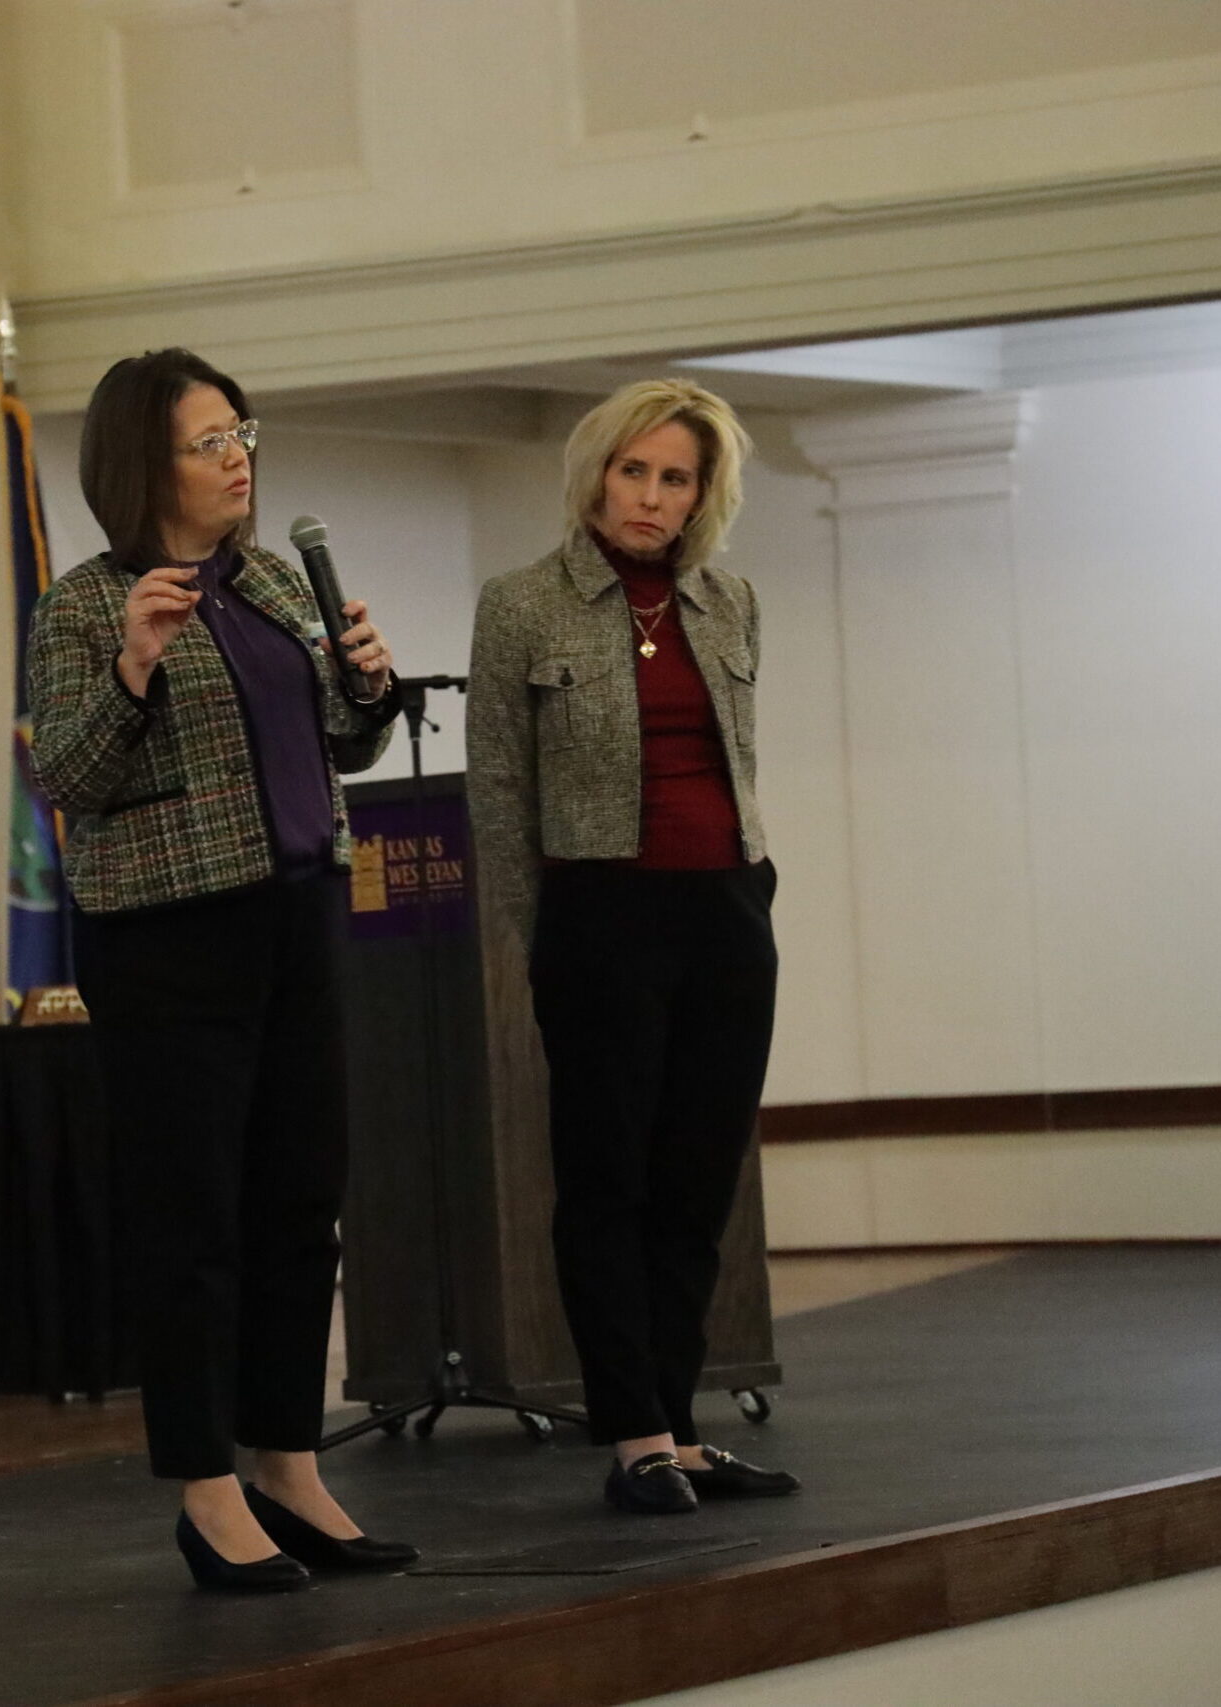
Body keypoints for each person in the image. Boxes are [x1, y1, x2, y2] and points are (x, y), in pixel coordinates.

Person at [27, 347, 417, 1591]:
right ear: (145, 462)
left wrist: (369, 688)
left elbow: (332, 752)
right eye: (209, 440)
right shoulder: (86, 605)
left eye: (240, 431)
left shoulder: (270, 587)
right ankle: (205, 1488)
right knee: (191, 1218)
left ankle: (289, 1463)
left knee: (300, 1205)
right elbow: (67, 780)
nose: (238, 453)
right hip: (168, 938)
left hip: (298, 913)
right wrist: (136, 666)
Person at [466, 378, 799, 1516]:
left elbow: (738, 760)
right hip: (599, 916)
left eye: (677, 478)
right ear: (596, 475)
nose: (652, 497)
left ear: (705, 493)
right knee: (606, 1180)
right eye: (634, 471)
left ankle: (684, 1425)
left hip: (725, 913)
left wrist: (754, 888)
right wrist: (536, 937)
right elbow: (501, 795)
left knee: (698, 1183)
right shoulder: (522, 605)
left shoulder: (732, 601)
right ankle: (635, 1434)